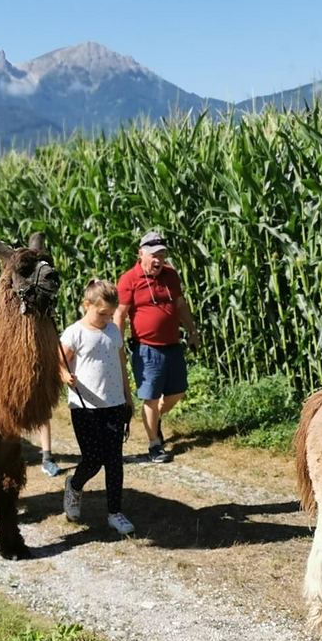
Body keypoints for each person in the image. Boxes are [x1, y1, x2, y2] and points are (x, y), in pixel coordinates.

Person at [115, 230, 199, 464]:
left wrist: (193, 331)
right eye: (153, 255)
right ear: (141, 254)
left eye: (161, 255)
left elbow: (180, 304)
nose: (158, 260)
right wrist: (117, 344)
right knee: (150, 398)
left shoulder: (171, 275)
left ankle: (154, 418)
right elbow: (120, 314)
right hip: (146, 348)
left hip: (172, 345)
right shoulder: (129, 279)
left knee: (178, 391)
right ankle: (154, 445)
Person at [60, 279, 136, 536]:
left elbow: (121, 363)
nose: (106, 319)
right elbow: (58, 362)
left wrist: (128, 397)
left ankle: (115, 513)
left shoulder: (113, 331)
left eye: (110, 314)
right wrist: (64, 375)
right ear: (87, 305)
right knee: (93, 460)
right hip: (85, 407)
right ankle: (74, 486)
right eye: (102, 313)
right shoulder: (74, 333)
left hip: (114, 404)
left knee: (114, 460)